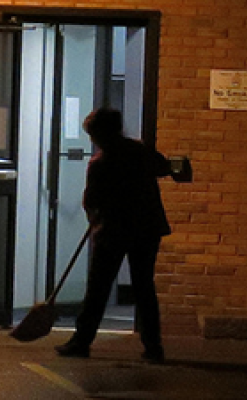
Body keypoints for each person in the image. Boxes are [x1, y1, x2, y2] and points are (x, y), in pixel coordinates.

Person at [54, 107, 171, 364]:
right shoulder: (140, 152)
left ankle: (81, 341)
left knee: (98, 289)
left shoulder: (101, 162)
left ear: (100, 134)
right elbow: (164, 167)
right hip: (147, 229)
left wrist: (95, 221)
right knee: (144, 288)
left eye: (93, 135)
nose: (92, 140)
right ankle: (153, 347)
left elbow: (91, 200)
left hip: (114, 231)